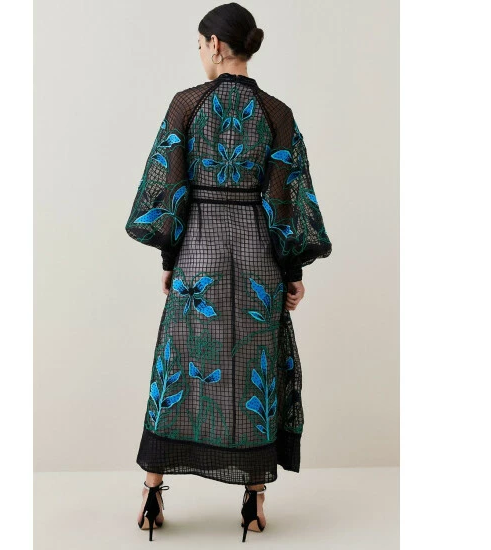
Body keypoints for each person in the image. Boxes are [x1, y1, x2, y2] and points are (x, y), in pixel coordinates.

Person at [125, 2, 332, 542]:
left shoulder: (186, 104)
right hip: (258, 259)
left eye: (200, 44)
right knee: (255, 364)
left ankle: (151, 492)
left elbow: (167, 186)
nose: (200, 53)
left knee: (178, 363)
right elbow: (288, 198)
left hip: (198, 256)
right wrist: (292, 270)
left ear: (216, 46)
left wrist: (170, 259)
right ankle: (254, 499)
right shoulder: (277, 113)